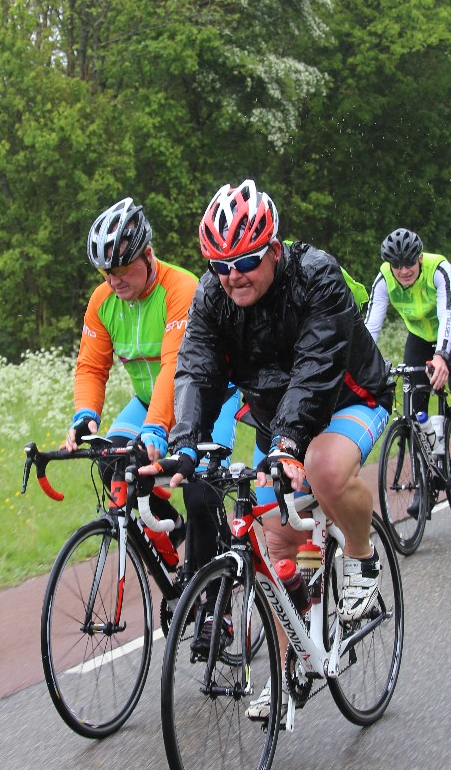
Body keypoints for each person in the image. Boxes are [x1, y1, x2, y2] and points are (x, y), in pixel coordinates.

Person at [152, 179, 393, 724]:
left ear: (275, 251)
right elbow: (197, 368)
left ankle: (362, 557)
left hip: (347, 398)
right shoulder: (214, 296)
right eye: (220, 265)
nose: (233, 275)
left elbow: (316, 369)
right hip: (276, 419)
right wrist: (183, 443)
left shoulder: (317, 276)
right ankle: (291, 669)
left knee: (323, 470)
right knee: (277, 542)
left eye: (246, 261)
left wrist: (287, 446)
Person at [64, 196, 238, 572]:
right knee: (111, 463)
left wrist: (157, 426)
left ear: (147, 255)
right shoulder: (102, 301)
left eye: (122, 268)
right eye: (105, 272)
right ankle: (174, 530)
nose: (114, 280)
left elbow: (176, 366)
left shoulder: (181, 289)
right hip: (148, 402)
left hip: (207, 404)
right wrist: (85, 414)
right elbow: (91, 366)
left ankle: (212, 597)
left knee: (199, 494)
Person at [365, 229, 451, 453]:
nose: (404, 270)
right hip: (420, 336)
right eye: (397, 265)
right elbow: (371, 326)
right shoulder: (384, 279)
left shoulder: (439, 269)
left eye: (409, 263)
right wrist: (362, 363)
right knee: (415, 397)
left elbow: (446, 315)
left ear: (420, 258)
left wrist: (441, 356)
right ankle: (427, 457)